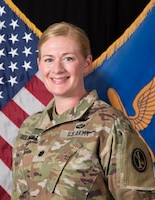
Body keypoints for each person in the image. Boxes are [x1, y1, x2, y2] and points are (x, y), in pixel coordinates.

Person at [11, 21, 155, 200]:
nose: (57, 69)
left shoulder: (110, 125)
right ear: (40, 65)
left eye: (68, 58)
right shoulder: (29, 127)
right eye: (49, 59)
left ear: (86, 64)